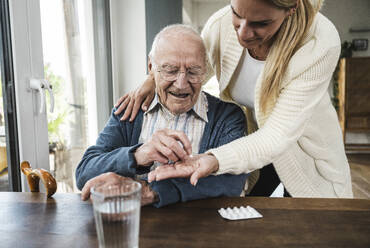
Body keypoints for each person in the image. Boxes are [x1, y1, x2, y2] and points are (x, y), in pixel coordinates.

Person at [114, 0, 353, 198]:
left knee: (312, 230)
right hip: (250, 147)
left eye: (261, 23)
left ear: (291, 9)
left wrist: (213, 158)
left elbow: (277, 135)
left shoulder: (319, 42)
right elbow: (191, 68)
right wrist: (152, 78)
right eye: (237, 15)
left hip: (303, 152)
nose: (243, 33)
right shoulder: (220, 25)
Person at [76, 24, 248, 207]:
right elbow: (85, 173)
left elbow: (232, 181)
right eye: (170, 70)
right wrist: (138, 155)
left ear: (205, 70)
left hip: (202, 228)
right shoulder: (130, 109)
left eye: (193, 71)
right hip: (134, 226)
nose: (181, 84)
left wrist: (150, 191)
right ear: (151, 68)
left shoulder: (228, 116)